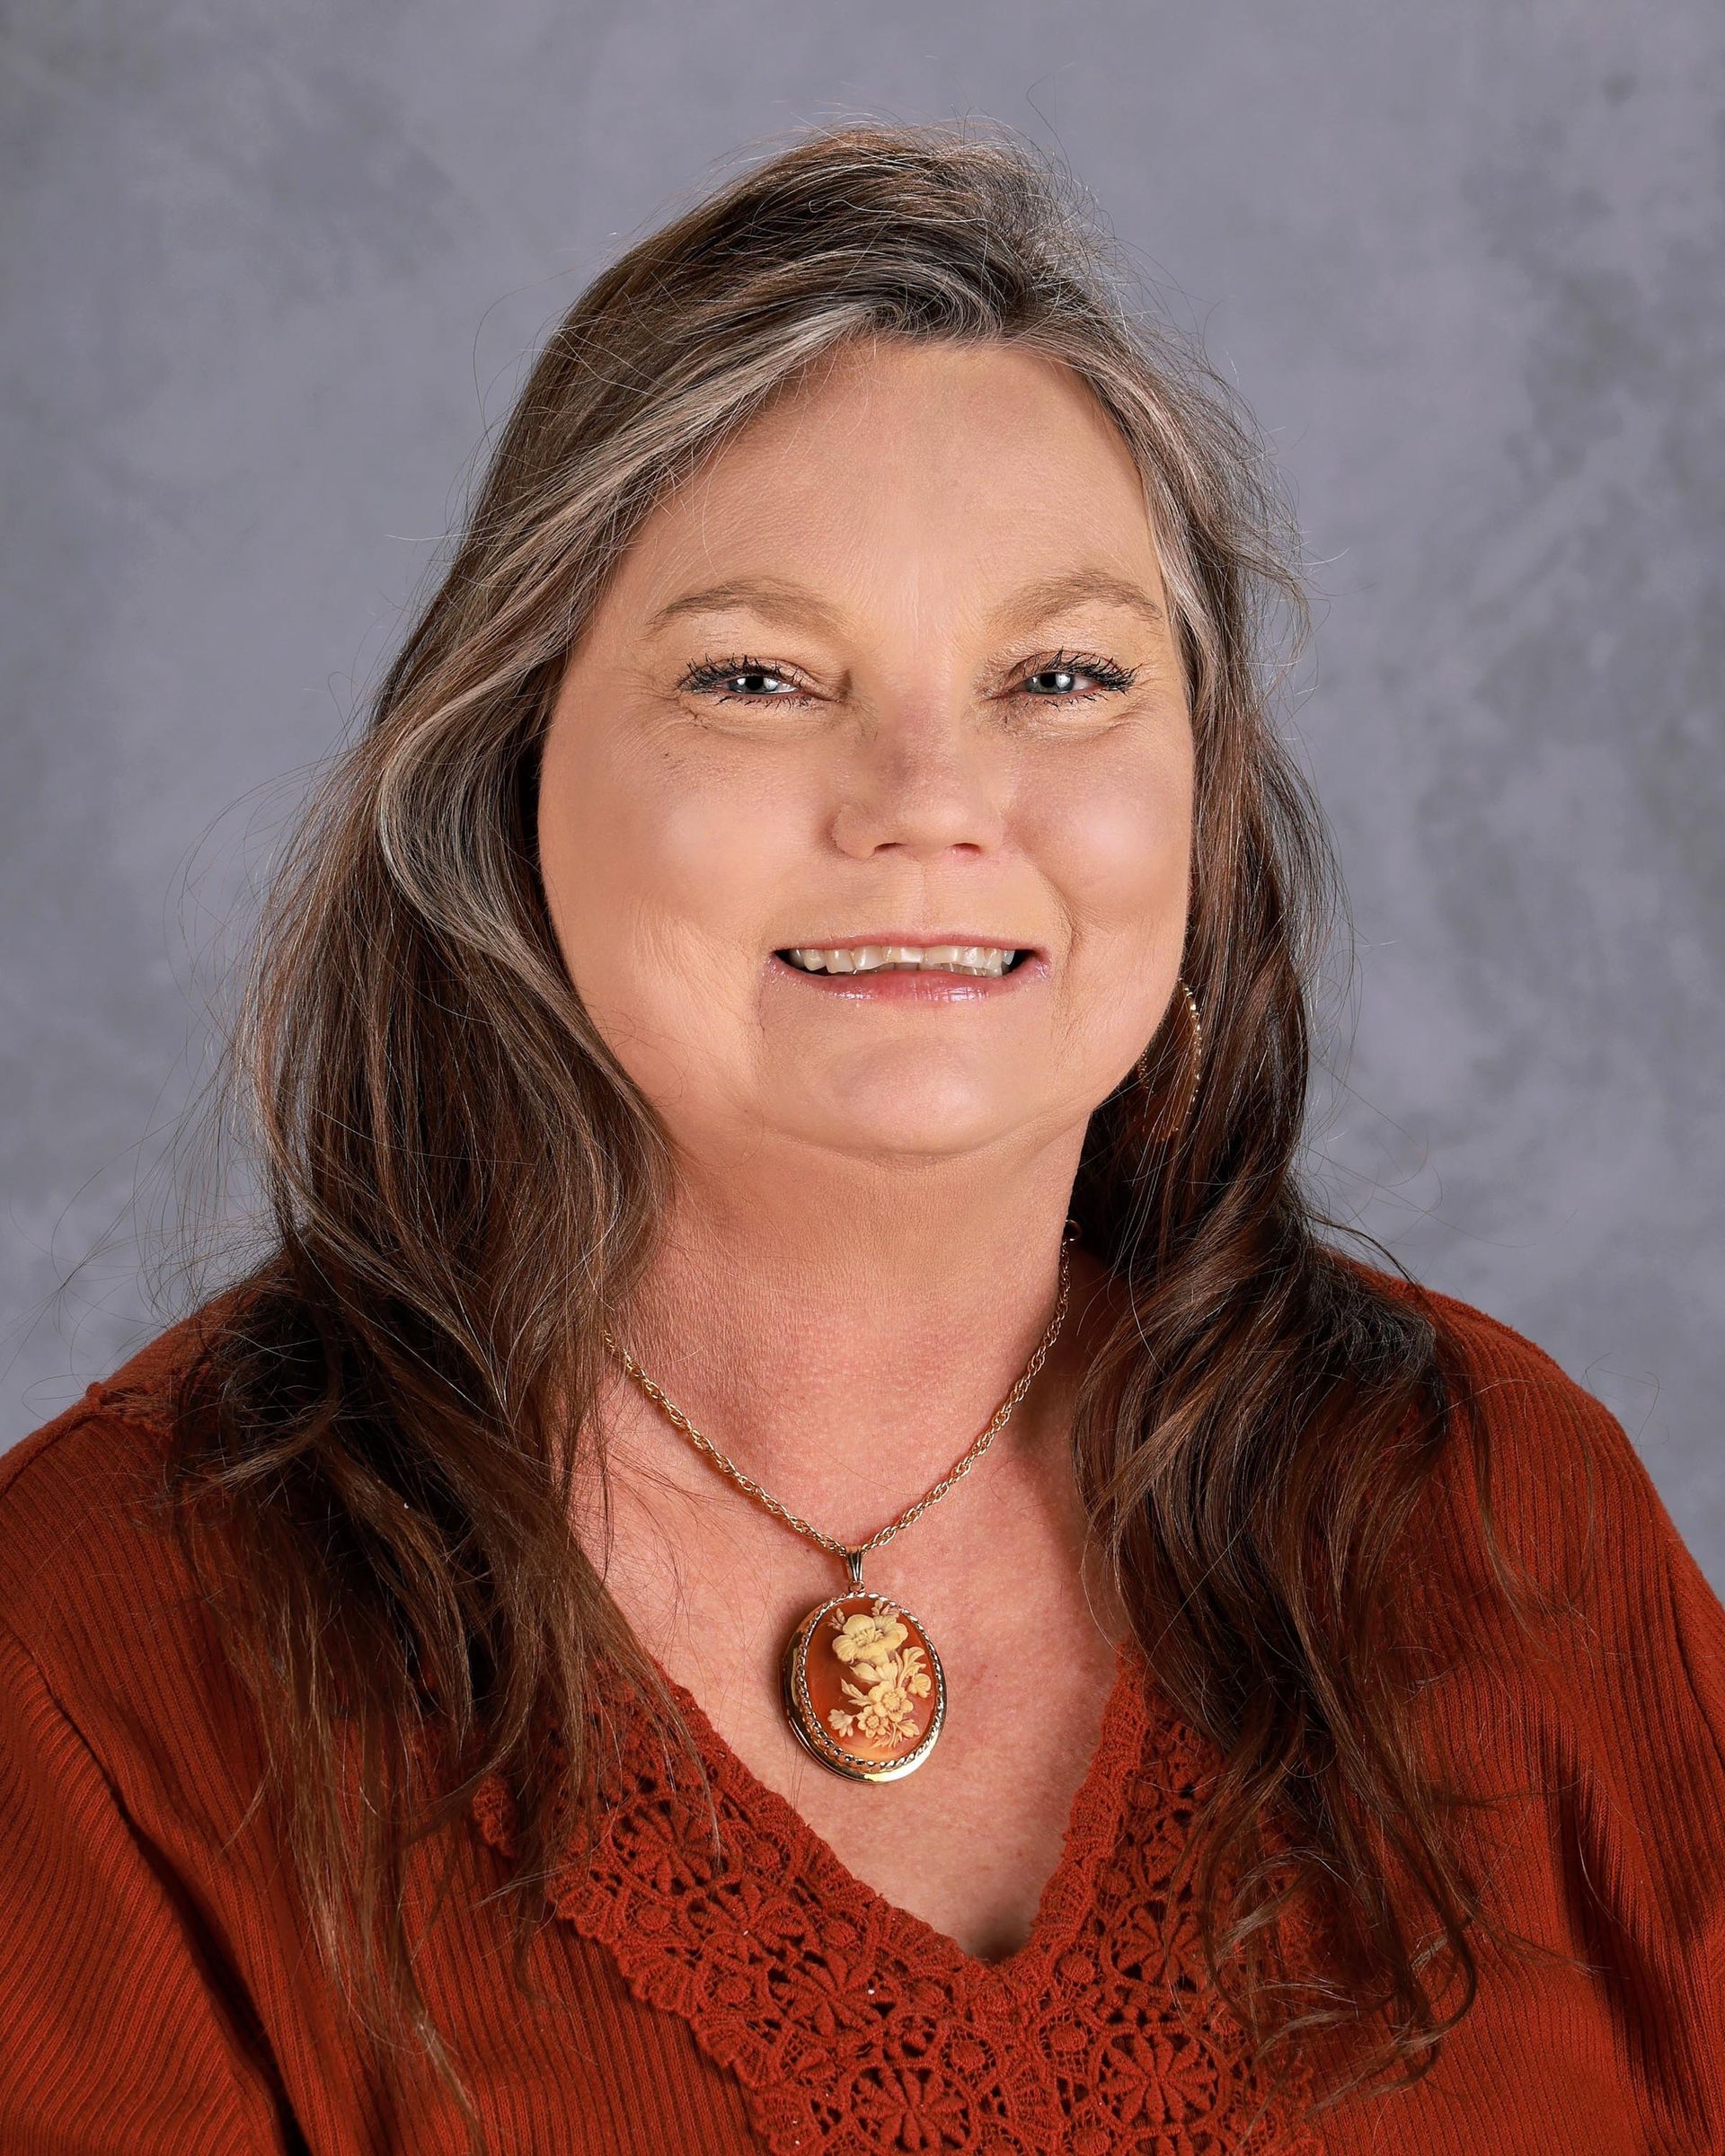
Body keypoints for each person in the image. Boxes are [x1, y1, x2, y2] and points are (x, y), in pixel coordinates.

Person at [2, 119, 1721, 2156]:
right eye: (755, 676)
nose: (929, 797)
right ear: (511, 769)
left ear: (1203, 796)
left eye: (1064, 674)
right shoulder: (96, 1658)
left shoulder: (1511, 1521)